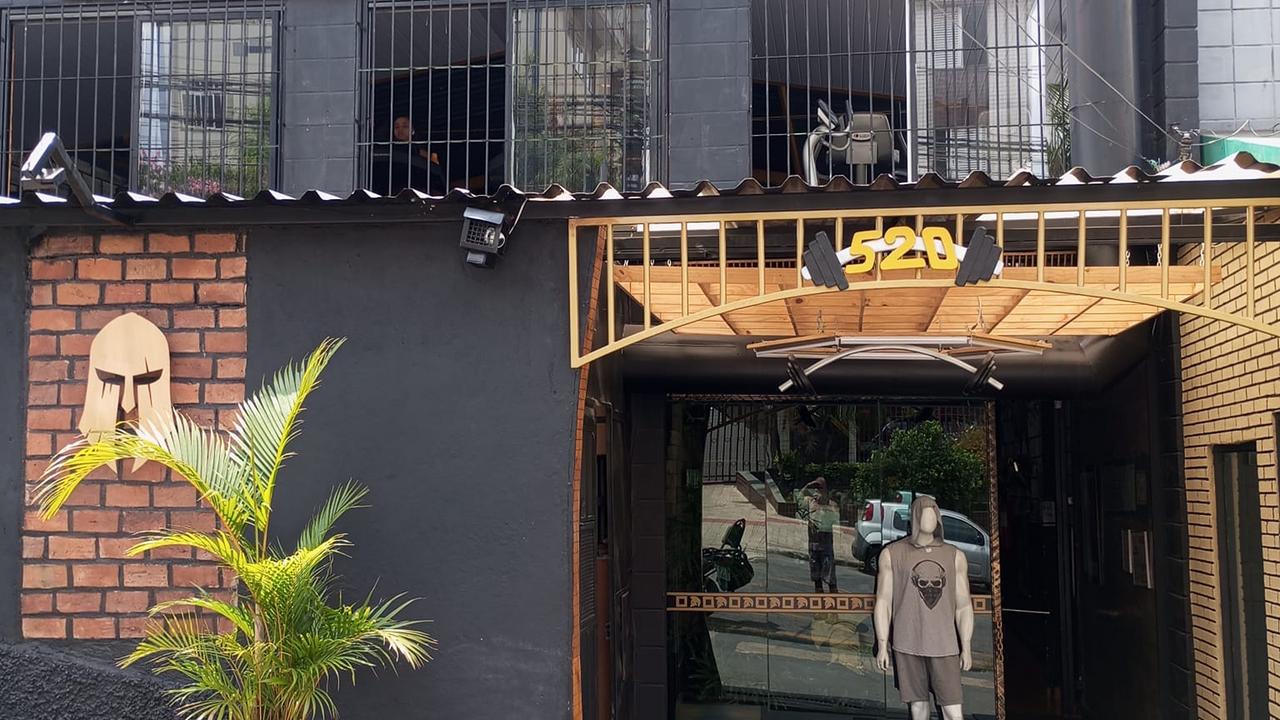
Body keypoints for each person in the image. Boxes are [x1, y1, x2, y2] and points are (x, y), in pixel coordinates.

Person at [874, 496, 974, 720]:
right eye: (924, 513)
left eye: (933, 513)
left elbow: (964, 606)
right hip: (907, 644)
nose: (930, 518)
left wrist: (966, 646)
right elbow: (883, 602)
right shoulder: (892, 554)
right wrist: (882, 644)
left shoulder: (955, 556)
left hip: (945, 645)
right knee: (918, 709)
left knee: (953, 711)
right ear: (915, 517)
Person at [370, 115, 445, 195]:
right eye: (397, 127)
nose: (400, 130)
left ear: (413, 130)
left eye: (405, 126)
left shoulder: (424, 153)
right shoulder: (386, 149)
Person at [800, 477, 839, 593]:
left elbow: (835, 519)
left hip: (825, 544)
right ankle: (819, 595)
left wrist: (824, 504)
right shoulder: (810, 502)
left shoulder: (831, 504)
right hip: (813, 543)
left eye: (820, 487)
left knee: (830, 575)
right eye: (816, 488)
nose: (817, 490)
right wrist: (807, 486)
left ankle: (834, 597)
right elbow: (798, 499)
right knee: (816, 575)